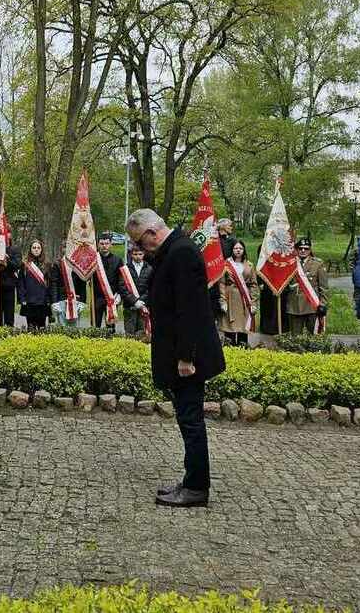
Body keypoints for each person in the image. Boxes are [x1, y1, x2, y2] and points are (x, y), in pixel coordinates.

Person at [125, 208, 224, 509]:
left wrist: (185, 357)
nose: (141, 249)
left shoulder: (181, 253)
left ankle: (196, 487)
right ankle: (191, 478)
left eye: (141, 243)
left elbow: (190, 310)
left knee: (191, 421)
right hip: (180, 354)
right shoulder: (173, 250)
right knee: (186, 419)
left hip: (187, 359)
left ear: (152, 233)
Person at [283, 237, 327, 334]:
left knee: (314, 335)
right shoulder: (290, 263)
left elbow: (323, 287)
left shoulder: (317, 264)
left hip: (311, 305)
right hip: (294, 305)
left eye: (306, 248)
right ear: (297, 249)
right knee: (295, 336)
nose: (303, 250)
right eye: (300, 248)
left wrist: (323, 304)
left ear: (310, 250)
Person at [218, 239, 255, 346]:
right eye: (235, 248)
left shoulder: (250, 265)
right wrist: (223, 301)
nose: (238, 250)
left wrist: (253, 302)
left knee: (243, 327)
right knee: (230, 326)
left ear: (244, 250)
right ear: (232, 250)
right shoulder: (226, 264)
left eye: (240, 248)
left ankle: (242, 349)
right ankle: (230, 349)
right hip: (230, 298)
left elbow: (253, 285)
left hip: (244, 299)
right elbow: (221, 283)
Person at [90, 232, 125, 331]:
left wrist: (119, 294)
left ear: (111, 245)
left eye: (106, 243)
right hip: (96, 297)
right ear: (98, 245)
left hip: (112, 298)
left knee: (110, 328)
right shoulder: (93, 260)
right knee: (95, 327)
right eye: (101, 243)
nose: (104, 246)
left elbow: (121, 279)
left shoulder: (118, 260)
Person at [17, 240, 52, 330]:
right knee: (31, 327)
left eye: (38, 248)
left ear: (41, 250)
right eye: (34, 248)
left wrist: (49, 299)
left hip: (43, 301)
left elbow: (50, 283)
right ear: (30, 250)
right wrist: (22, 298)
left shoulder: (47, 264)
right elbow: (21, 283)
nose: (36, 250)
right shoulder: (25, 264)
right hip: (29, 301)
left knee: (42, 327)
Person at [121, 245, 153, 336]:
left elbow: (151, 287)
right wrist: (135, 301)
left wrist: (142, 301)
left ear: (144, 254)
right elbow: (123, 288)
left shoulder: (150, 269)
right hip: (129, 306)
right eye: (135, 254)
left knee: (143, 334)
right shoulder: (125, 269)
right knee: (130, 334)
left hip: (144, 306)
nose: (138, 256)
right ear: (131, 254)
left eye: (140, 254)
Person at [0, 242, 21, 327]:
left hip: (9, 286)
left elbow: (17, 265)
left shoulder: (15, 250)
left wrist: (7, 259)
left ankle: (8, 335)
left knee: (9, 316)